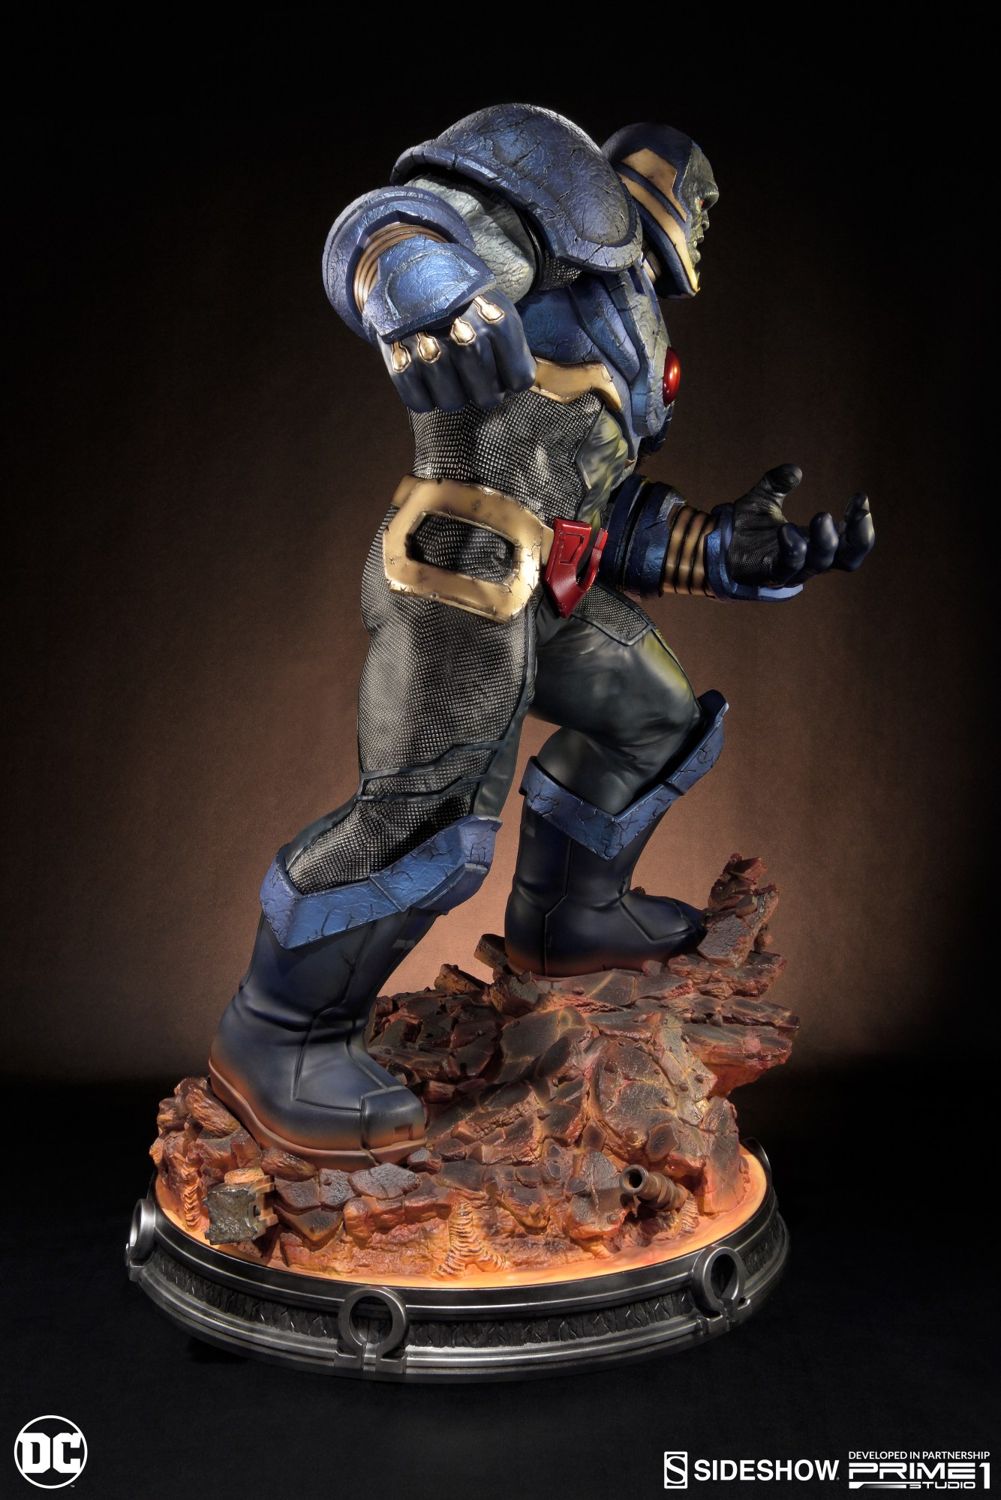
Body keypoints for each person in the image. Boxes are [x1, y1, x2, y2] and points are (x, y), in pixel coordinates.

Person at [208, 105, 874, 1169]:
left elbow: (590, 504)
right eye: (698, 196)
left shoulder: (626, 308)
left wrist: (720, 548)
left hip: (552, 586)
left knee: (655, 721)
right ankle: (277, 1032)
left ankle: (569, 918)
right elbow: (402, 224)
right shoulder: (564, 213)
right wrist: (408, 274)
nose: (701, 220)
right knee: (426, 820)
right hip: (460, 576)